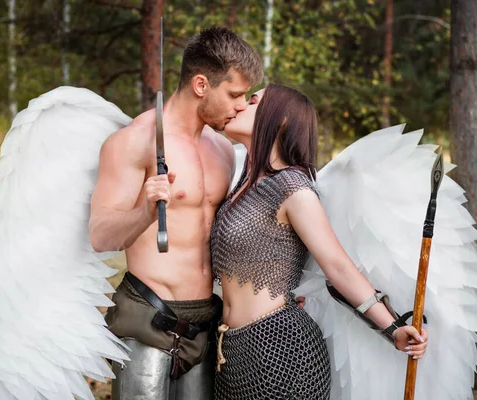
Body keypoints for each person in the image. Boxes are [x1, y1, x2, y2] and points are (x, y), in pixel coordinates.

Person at [211, 84, 429, 399]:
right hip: (230, 349)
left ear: (281, 120)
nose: (241, 105)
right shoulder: (241, 187)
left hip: (280, 347)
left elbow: (337, 266)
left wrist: (392, 327)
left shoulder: (292, 187)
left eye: (253, 100)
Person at [89, 27, 263, 400]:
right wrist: (145, 212)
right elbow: (100, 235)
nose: (241, 105)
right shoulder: (136, 141)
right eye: (234, 94)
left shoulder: (222, 150)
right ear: (201, 84)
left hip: (206, 322)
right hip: (149, 317)